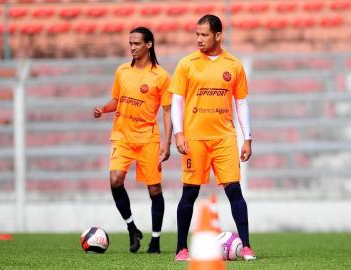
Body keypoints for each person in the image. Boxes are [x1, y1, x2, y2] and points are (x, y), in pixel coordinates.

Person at [169, 14, 256, 261]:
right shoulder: (187, 63)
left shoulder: (233, 64)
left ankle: (247, 246)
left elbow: (241, 103)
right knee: (190, 193)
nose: (199, 39)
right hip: (195, 138)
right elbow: (177, 101)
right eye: (197, 34)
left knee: (234, 191)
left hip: (224, 138)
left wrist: (247, 138)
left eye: (204, 34)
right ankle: (181, 248)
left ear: (218, 35)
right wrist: (179, 133)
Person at [93, 27, 172, 254]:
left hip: (148, 138)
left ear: (149, 44)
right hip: (122, 136)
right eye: (130, 43)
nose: (133, 47)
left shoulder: (162, 76)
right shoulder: (122, 71)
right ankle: (132, 228)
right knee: (115, 180)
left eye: (137, 43)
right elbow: (116, 101)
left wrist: (167, 143)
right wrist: (104, 109)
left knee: (154, 190)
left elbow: (167, 111)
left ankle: (155, 240)